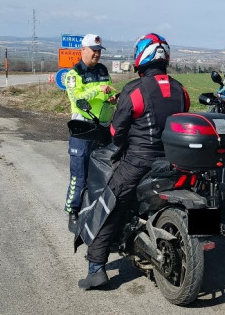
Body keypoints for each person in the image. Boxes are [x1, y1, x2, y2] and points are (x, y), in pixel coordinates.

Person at [78, 33, 190, 290]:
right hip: (173, 162)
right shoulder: (180, 90)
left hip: (139, 162)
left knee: (109, 204)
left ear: (142, 57)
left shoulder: (135, 90)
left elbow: (117, 133)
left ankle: (96, 267)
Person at [64, 34, 117, 225]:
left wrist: (110, 98)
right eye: (93, 51)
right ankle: (73, 210)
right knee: (79, 175)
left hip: (102, 128)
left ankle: (96, 209)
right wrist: (98, 91)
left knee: (101, 174)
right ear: (83, 50)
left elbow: (108, 91)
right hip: (82, 130)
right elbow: (78, 101)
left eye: (99, 51)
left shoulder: (103, 70)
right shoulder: (74, 74)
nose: (97, 54)